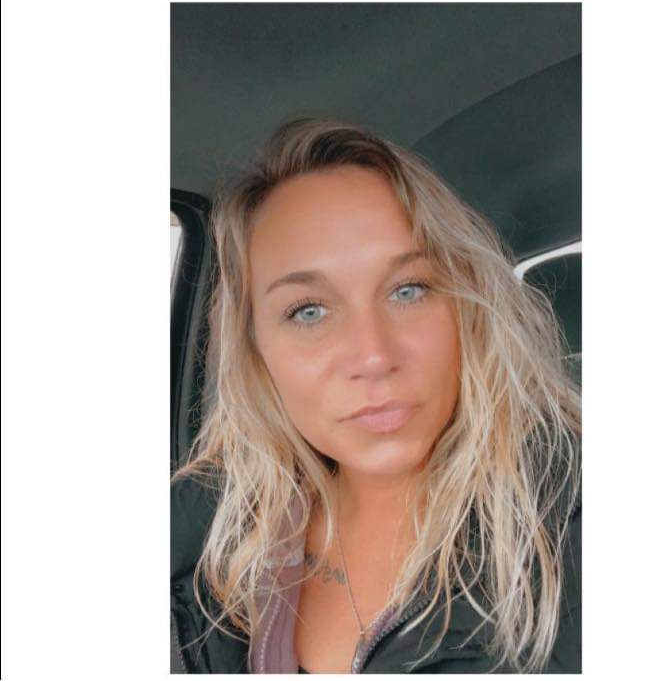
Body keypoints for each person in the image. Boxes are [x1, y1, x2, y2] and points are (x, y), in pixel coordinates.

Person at [170, 118, 582, 674]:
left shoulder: (572, 529)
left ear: (469, 306)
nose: (372, 356)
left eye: (408, 290)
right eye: (308, 311)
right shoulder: (206, 529)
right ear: (255, 349)